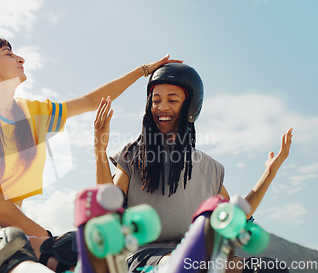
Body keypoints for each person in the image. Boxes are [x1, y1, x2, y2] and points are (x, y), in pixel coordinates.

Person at [0, 37, 182, 273]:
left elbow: (92, 101)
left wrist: (143, 71)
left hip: (11, 231)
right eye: (8, 54)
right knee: (7, 245)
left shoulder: (32, 112)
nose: (20, 59)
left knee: (76, 251)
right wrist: (46, 237)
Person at [93, 63, 292, 273]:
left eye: (172, 100)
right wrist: (99, 147)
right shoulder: (132, 156)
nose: (161, 107)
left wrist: (270, 173)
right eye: (156, 100)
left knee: (273, 268)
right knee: (189, 263)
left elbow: (236, 216)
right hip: (143, 257)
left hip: (197, 257)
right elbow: (108, 207)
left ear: (190, 107)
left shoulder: (209, 168)